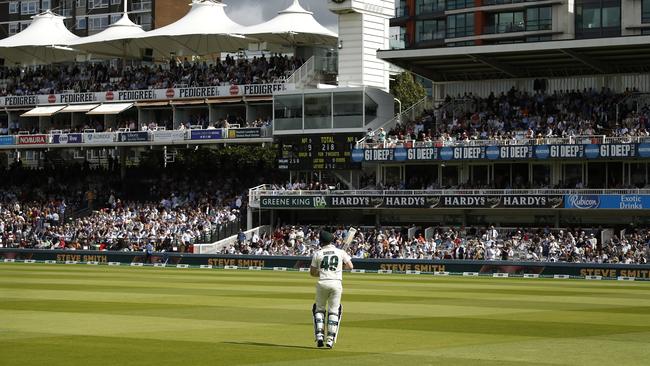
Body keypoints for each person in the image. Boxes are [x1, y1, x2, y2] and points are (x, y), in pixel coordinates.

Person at [310, 230, 353, 349]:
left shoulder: (318, 253)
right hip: (336, 283)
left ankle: (319, 336)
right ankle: (330, 339)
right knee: (334, 311)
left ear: (321, 241)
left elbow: (312, 273)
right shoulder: (340, 252)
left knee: (319, 310)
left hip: (323, 282)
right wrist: (338, 268)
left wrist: (324, 272)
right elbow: (350, 266)